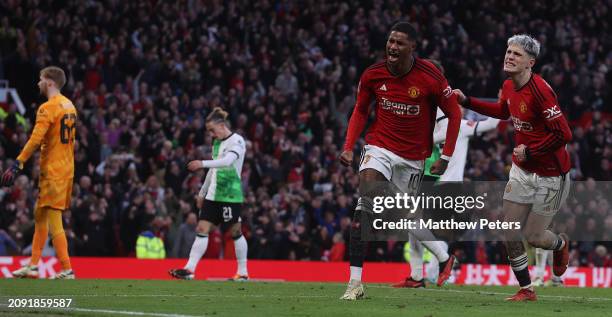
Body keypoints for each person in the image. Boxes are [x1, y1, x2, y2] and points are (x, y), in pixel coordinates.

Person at [339, 22, 462, 300]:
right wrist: (348, 146)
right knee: (365, 204)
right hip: (379, 146)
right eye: (391, 41)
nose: (393, 47)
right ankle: (354, 284)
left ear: (412, 47)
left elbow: (455, 114)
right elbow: (360, 110)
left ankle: (442, 258)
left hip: (413, 158)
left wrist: (445, 157)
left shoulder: (431, 76)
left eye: (400, 43)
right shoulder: (373, 74)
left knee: (403, 217)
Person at [454, 34, 572, 301]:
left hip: (552, 175)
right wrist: (467, 101)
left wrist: (532, 150)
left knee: (535, 236)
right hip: (522, 169)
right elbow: (503, 111)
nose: (509, 56)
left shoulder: (541, 91)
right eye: (508, 52)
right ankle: (526, 289)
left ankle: (561, 244)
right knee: (508, 227)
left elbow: (564, 134)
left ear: (531, 62)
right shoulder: (508, 86)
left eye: (516, 54)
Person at [5, 66, 77, 279]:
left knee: (53, 218)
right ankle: (34, 265)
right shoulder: (69, 105)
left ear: (50, 82)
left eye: (41, 79)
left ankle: (67, 268)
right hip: (66, 168)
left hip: (53, 171)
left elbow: (36, 139)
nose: (38, 83)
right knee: (40, 215)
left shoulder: (48, 108)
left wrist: (19, 163)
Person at [169, 107, 249, 281]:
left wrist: (201, 163)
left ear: (221, 125)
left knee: (235, 232)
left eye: (212, 130)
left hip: (229, 194)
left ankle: (243, 272)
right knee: (202, 229)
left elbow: (227, 162)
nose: (211, 134)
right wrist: (202, 192)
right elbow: (214, 168)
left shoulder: (237, 141)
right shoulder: (217, 143)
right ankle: (189, 269)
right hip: (213, 194)